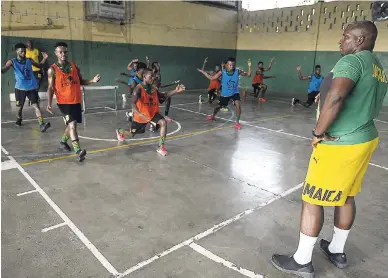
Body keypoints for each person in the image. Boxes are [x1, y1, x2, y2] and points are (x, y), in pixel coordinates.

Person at [272, 21, 387, 278]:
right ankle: (337, 250)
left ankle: (302, 261)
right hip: (365, 137)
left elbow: (336, 98)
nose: (340, 41)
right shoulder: (378, 66)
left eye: (345, 36)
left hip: (340, 142)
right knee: (346, 195)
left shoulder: (351, 62)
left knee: (312, 198)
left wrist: (318, 133)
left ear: (359, 40)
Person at [46, 42, 101, 162]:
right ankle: (78, 151)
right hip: (63, 102)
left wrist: (92, 80)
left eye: (65, 51)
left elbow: (80, 81)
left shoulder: (74, 66)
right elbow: (50, 88)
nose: (63, 54)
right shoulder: (52, 69)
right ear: (56, 53)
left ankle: (62, 142)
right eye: (60, 52)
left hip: (76, 100)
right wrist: (49, 103)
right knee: (72, 125)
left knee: (71, 124)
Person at [116, 68, 186, 156]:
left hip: (153, 114)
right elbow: (133, 103)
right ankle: (120, 131)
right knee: (131, 134)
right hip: (141, 116)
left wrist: (175, 91)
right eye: (151, 76)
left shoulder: (153, 88)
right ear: (144, 76)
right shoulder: (138, 89)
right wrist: (139, 113)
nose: (153, 78)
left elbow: (163, 96)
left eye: (154, 76)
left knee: (163, 123)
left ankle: (161, 146)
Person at [1, 43, 50, 131]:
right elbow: (4, 69)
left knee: (36, 106)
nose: (23, 53)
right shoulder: (12, 61)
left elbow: (40, 66)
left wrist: (44, 58)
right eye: (21, 52)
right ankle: (19, 119)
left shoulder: (29, 60)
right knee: (19, 108)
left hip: (31, 88)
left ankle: (42, 124)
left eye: (24, 51)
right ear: (17, 52)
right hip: (20, 89)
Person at [197, 57, 251, 130]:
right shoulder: (222, 72)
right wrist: (203, 72)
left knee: (238, 105)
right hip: (225, 94)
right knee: (218, 107)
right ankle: (213, 115)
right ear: (226, 65)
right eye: (229, 65)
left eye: (233, 65)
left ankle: (237, 122)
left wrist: (249, 66)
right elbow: (211, 78)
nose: (231, 66)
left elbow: (248, 75)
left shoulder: (238, 71)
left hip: (235, 92)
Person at [26, 40, 43, 104]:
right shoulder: (25, 51)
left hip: (37, 70)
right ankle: (33, 98)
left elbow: (40, 60)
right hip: (29, 71)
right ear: (27, 44)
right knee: (30, 85)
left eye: (31, 43)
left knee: (37, 84)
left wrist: (42, 68)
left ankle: (34, 96)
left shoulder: (36, 50)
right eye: (28, 43)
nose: (30, 44)